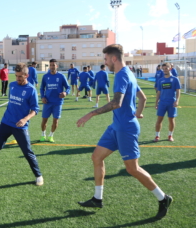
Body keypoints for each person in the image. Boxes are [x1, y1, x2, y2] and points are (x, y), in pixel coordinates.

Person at [76, 44, 172, 219]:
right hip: (116, 126)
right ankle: (97, 198)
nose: (104, 63)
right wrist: (136, 113)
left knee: (132, 169)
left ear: (113, 59)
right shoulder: (129, 73)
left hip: (125, 128)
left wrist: (90, 114)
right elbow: (142, 97)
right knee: (96, 157)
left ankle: (163, 197)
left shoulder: (121, 75)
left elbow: (116, 103)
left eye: (105, 59)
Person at [0, 63, 43, 187]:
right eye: (16, 76)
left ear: (26, 75)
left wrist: (25, 119)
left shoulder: (31, 90)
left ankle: (38, 175)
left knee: (27, 152)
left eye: (20, 76)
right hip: (6, 123)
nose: (17, 79)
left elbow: (35, 110)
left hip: (20, 126)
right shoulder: (12, 86)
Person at [40, 59, 70, 143]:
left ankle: (51, 136)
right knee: (44, 120)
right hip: (47, 102)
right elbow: (42, 88)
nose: (52, 66)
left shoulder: (61, 76)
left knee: (55, 120)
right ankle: (43, 134)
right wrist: (42, 97)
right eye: (51, 65)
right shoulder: (45, 76)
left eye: (54, 65)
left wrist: (65, 92)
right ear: (49, 66)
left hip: (58, 102)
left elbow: (68, 87)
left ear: (57, 66)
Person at [154, 63, 181, 142]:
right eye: (164, 68)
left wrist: (177, 100)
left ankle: (170, 135)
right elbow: (158, 92)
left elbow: (178, 91)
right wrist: (156, 103)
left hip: (171, 103)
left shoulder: (175, 79)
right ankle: (157, 136)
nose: (165, 70)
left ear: (170, 68)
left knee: (171, 120)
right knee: (159, 120)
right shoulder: (160, 80)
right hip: (162, 103)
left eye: (166, 68)